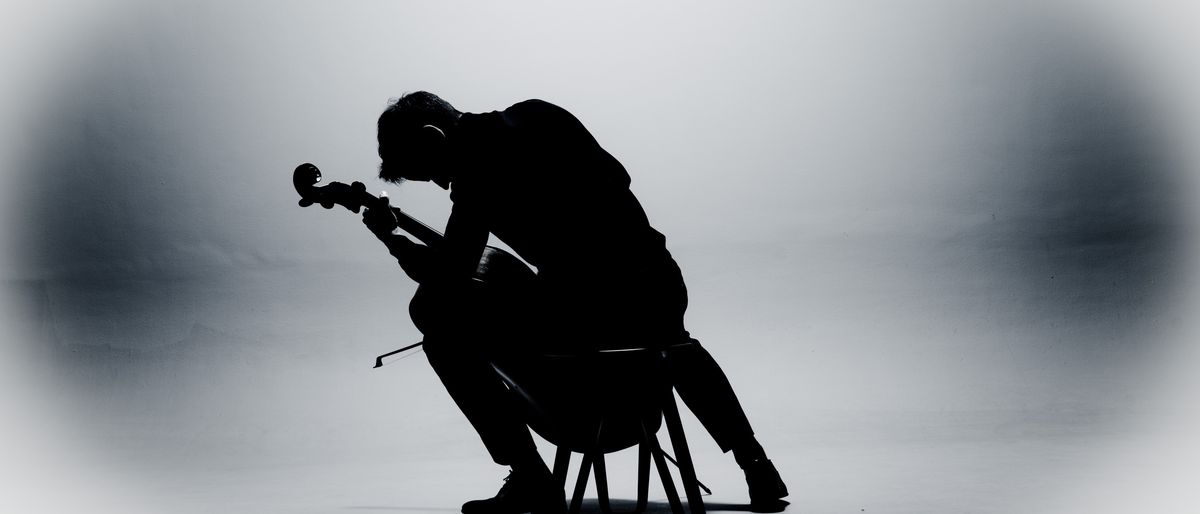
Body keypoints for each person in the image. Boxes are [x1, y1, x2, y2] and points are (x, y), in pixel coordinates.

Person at [362, 91, 787, 514]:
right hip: (657, 281)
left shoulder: (476, 175)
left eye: (436, 172)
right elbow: (618, 177)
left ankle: (530, 475)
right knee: (672, 341)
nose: (445, 184)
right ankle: (756, 463)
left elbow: (451, 279)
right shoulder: (539, 114)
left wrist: (392, 238)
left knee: (440, 329)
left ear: (435, 137)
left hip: (584, 318)